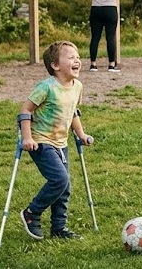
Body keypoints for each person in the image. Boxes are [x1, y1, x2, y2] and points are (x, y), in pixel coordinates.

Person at [18, 40, 94, 240]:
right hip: (41, 142)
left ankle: (59, 227)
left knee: (64, 187)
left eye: (78, 57)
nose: (77, 60)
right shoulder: (46, 87)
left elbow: (73, 112)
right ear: (55, 65)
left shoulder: (77, 87)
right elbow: (25, 110)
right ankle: (31, 213)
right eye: (71, 57)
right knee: (60, 179)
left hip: (61, 143)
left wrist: (81, 134)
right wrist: (27, 138)